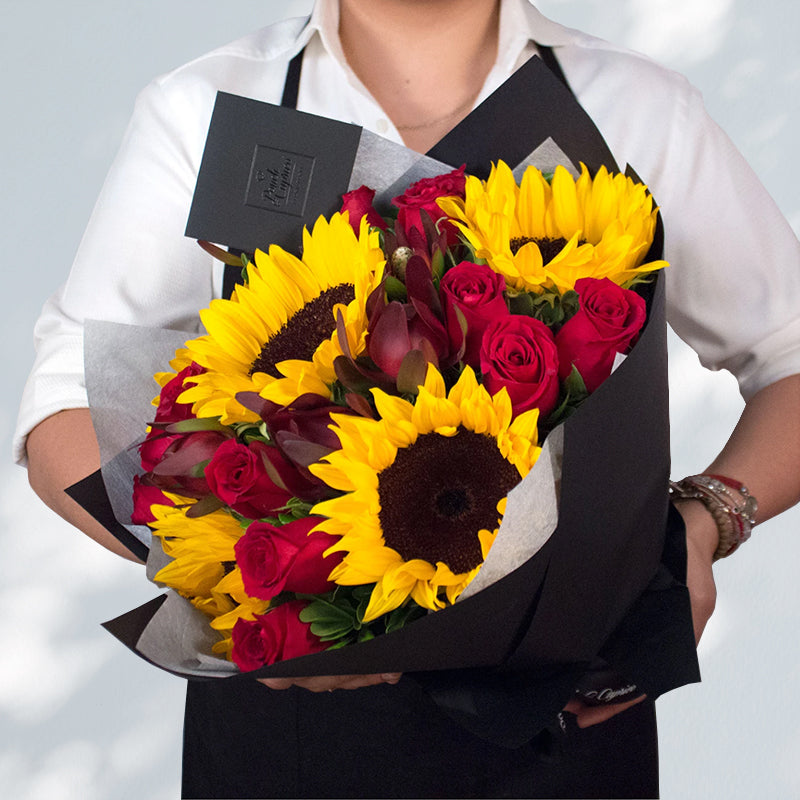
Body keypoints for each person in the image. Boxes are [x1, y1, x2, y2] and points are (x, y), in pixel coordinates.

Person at [14, 0, 800, 797]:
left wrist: (704, 519)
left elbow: (792, 355)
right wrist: (239, 587)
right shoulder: (211, 105)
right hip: (287, 734)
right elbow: (64, 410)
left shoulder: (634, 105)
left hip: (567, 714)